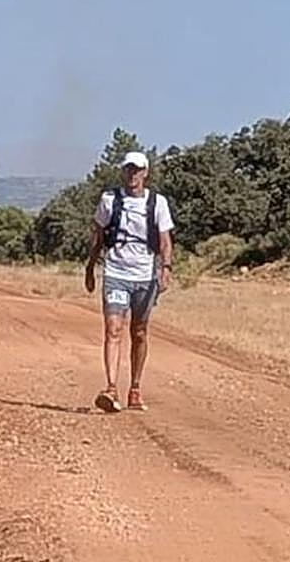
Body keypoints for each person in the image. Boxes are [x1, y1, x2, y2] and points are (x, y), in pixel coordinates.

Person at [84, 151, 175, 413]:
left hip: (145, 277)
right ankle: (111, 388)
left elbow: (165, 240)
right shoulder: (109, 200)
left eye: (137, 170)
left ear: (145, 173)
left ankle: (135, 388)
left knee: (139, 331)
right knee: (113, 329)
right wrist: (90, 267)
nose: (132, 174)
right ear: (122, 172)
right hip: (116, 273)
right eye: (128, 169)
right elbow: (98, 236)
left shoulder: (158, 203)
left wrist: (165, 268)